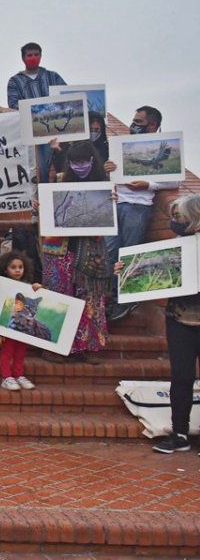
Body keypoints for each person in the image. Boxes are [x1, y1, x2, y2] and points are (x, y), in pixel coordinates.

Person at [38, 141, 110, 362]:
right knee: (57, 294)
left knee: (90, 297)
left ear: (92, 161)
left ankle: (88, 346)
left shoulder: (104, 185)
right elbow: (49, 214)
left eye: (83, 161)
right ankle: (53, 345)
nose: (79, 166)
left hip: (90, 249)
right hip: (60, 248)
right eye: (74, 162)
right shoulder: (59, 181)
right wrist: (40, 208)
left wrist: (112, 203)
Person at [104, 106, 178, 322]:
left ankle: (123, 301)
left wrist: (149, 184)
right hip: (115, 203)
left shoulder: (167, 147)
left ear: (153, 125)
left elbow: (174, 180)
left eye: (139, 122)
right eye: (133, 121)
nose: (133, 125)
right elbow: (110, 173)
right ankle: (111, 298)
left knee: (128, 253)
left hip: (138, 206)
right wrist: (108, 167)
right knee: (109, 252)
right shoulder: (121, 146)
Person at [139, 194, 200, 453]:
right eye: (173, 216)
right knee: (181, 377)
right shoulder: (173, 247)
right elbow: (147, 277)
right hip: (180, 320)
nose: (174, 221)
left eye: (179, 217)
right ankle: (180, 433)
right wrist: (128, 271)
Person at [7, 42, 68, 184]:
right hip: (34, 133)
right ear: (23, 58)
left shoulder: (53, 77)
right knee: (41, 169)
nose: (33, 57)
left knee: (63, 165)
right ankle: (42, 198)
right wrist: (37, 111)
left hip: (58, 130)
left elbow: (65, 98)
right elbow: (13, 105)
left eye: (36, 54)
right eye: (29, 55)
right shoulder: (15, 81)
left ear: (41, 56)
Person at [0, 251, 41, 392]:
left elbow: (36, 297)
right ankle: (6, 377)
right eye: (13, 267)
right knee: (7, 351)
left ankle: (18, 374)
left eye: (20, 267)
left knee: (21, 350)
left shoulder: (27, 286)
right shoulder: (2, 286)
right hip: (8, 325)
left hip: (23, 326)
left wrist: (37, 288)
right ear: (5, 269)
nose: (17, 270)